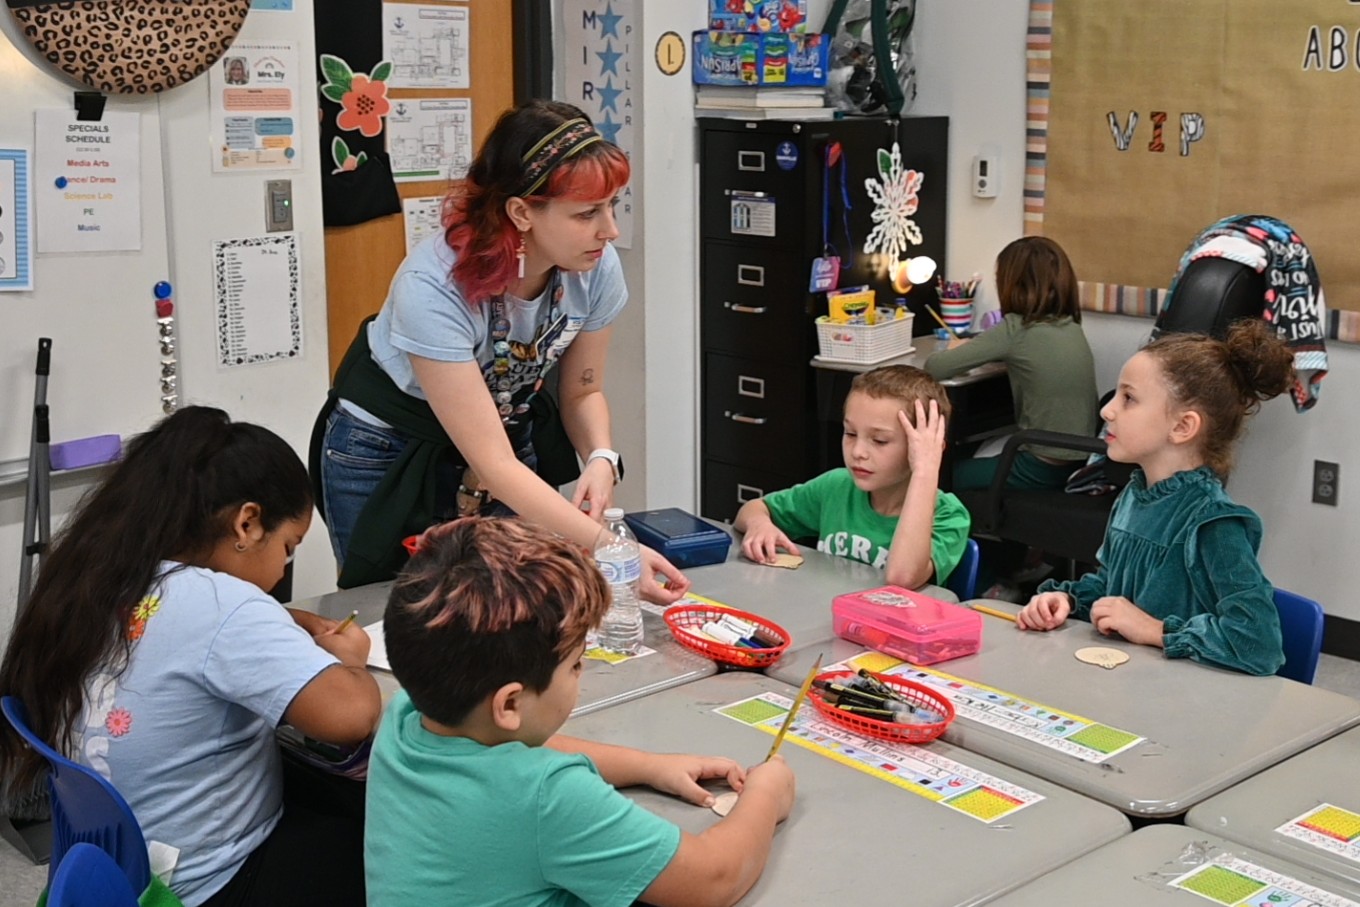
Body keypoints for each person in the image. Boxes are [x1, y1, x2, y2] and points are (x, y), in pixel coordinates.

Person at [0, 407, 380, 907]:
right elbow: (351, 717)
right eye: (288, 547)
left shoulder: (102, 579)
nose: (283, 569)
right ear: (247, 523)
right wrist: (352, 661)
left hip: (119, 865)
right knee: (381, 834)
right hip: (208, 882)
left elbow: (188, 633)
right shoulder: (222, 604)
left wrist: (291, 621)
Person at [313, 98, 688, 602]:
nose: (610, 230)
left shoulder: (595, 267)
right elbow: (494, 463)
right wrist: (611, 547)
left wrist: (600, 457)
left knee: (512, 607)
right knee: (401, 610)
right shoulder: (432, 286)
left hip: (503, 437)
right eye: (587, 213)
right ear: (521, 212)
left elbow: (583, 390)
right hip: (388, 449)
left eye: (613, 206)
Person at [365, 517, 796, 906]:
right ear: (510, 703)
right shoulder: (547, 798)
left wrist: (648, 767)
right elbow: (713, 878)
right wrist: (766, 795)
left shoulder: (406, 715)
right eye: (574, 663)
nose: (582, 670)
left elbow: (521, 750)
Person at [1017, 320, 1293, 675]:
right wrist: (1068, 601)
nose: (1107, 410)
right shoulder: (1135, 496)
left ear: (1182, 427)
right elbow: (1112, 591)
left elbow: (1259, 645)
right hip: (1132, 687)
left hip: (1189, 709)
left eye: (1128, 398)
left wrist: (1153, 630)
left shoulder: (1213, 523)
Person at [733, 365, 969, 589]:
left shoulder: (949, 515)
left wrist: (925, 469)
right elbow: (753, 509)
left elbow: (902, 577)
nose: (857, 452)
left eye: (879, 441)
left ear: (925, 448)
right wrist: (759, 524)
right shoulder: (836, 486)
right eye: (850, 433)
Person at [924, 236, 1098, 490]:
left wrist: (956, 347)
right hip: (1080, 460)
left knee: (942, 473)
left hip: (1040, 467)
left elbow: (936, 367)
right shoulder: (1070, 326)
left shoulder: (1017, 328)